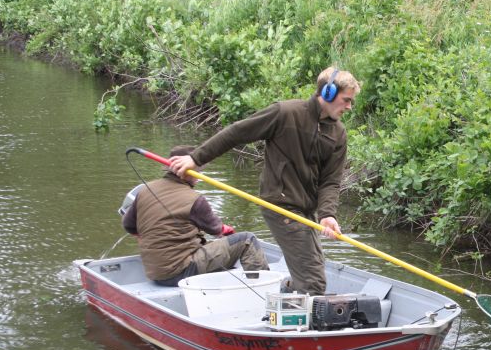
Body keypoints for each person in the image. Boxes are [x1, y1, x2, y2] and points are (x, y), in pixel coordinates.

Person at [167, 66, 361, 295]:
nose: (349, 107)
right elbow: (236, 133)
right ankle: (294, 311)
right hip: (279, 205)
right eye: (346, 100)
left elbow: (331, 181)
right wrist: (195, 158)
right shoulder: (285, 113)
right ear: (327, 93)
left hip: (306, 211)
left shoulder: (338, 134)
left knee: (314, 269)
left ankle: (282, 295)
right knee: (313, 283)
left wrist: (327, 214)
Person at [122, 146, 270, 286]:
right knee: (246, 240)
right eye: (197, 170)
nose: (199, 176)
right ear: (187, 172)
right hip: (181, 272)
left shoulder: (144, 191)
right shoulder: (194, 199)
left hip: (156, 274)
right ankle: (264, 288)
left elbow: (129, 226)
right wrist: (225, 229)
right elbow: (217, 229)